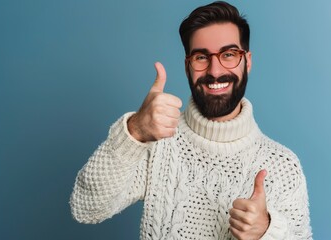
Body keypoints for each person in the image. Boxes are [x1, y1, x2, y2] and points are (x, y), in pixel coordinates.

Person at [70, 1, 312, 239]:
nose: (215, 71)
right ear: (188, 67)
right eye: (201, 57)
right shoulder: (157, 143)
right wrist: (135, 132)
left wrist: (268, 231)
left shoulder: (283, 166)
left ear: (247, 61)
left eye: (229, 54)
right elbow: (86, 208)